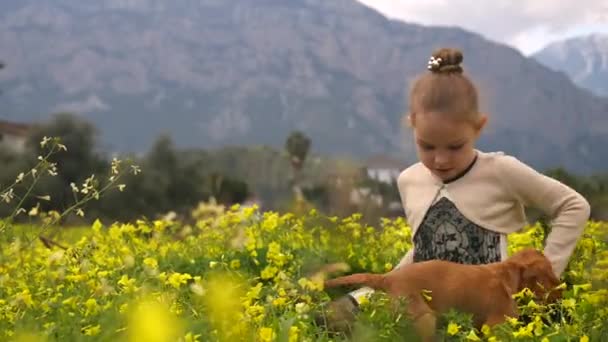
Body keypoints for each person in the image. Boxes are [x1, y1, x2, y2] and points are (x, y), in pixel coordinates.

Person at [318, 47, 591, 332]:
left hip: (485, 311)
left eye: (455, 146)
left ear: (479, 127)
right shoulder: (409, 179)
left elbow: (574, 206)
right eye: (427, 146)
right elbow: (421, 249)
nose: (440, 160)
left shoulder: (501, 170)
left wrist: (544, 277)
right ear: (412, 126)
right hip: (422, 303)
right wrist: (387, 283)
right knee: (329, 318)